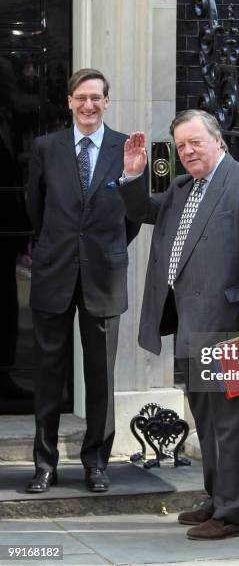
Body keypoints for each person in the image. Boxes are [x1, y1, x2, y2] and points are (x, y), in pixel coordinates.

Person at [118, 109, 239, 540]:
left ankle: (233, 514)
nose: (188, 151)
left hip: (231, 325)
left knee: (233, 423)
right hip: (190, 323)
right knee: (206, 421)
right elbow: (146, 212)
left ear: (218, 140)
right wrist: (133, 177)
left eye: (195, 142)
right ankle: (217, 499)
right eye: (181, 145)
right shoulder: (182, 186)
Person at [26, 68, 139, 494]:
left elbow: (133, 215)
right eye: (81, 98)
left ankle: (96, 463)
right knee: (48, 374)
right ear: (69, 101)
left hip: (104, 276)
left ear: (107, 102)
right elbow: (35, 207)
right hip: (54, 273)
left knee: (100, 377)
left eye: (96, 98)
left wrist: (104, 248)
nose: (89, 105)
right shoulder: (46, 147)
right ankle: (45, 465)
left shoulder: (124, 147)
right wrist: (61, 246)